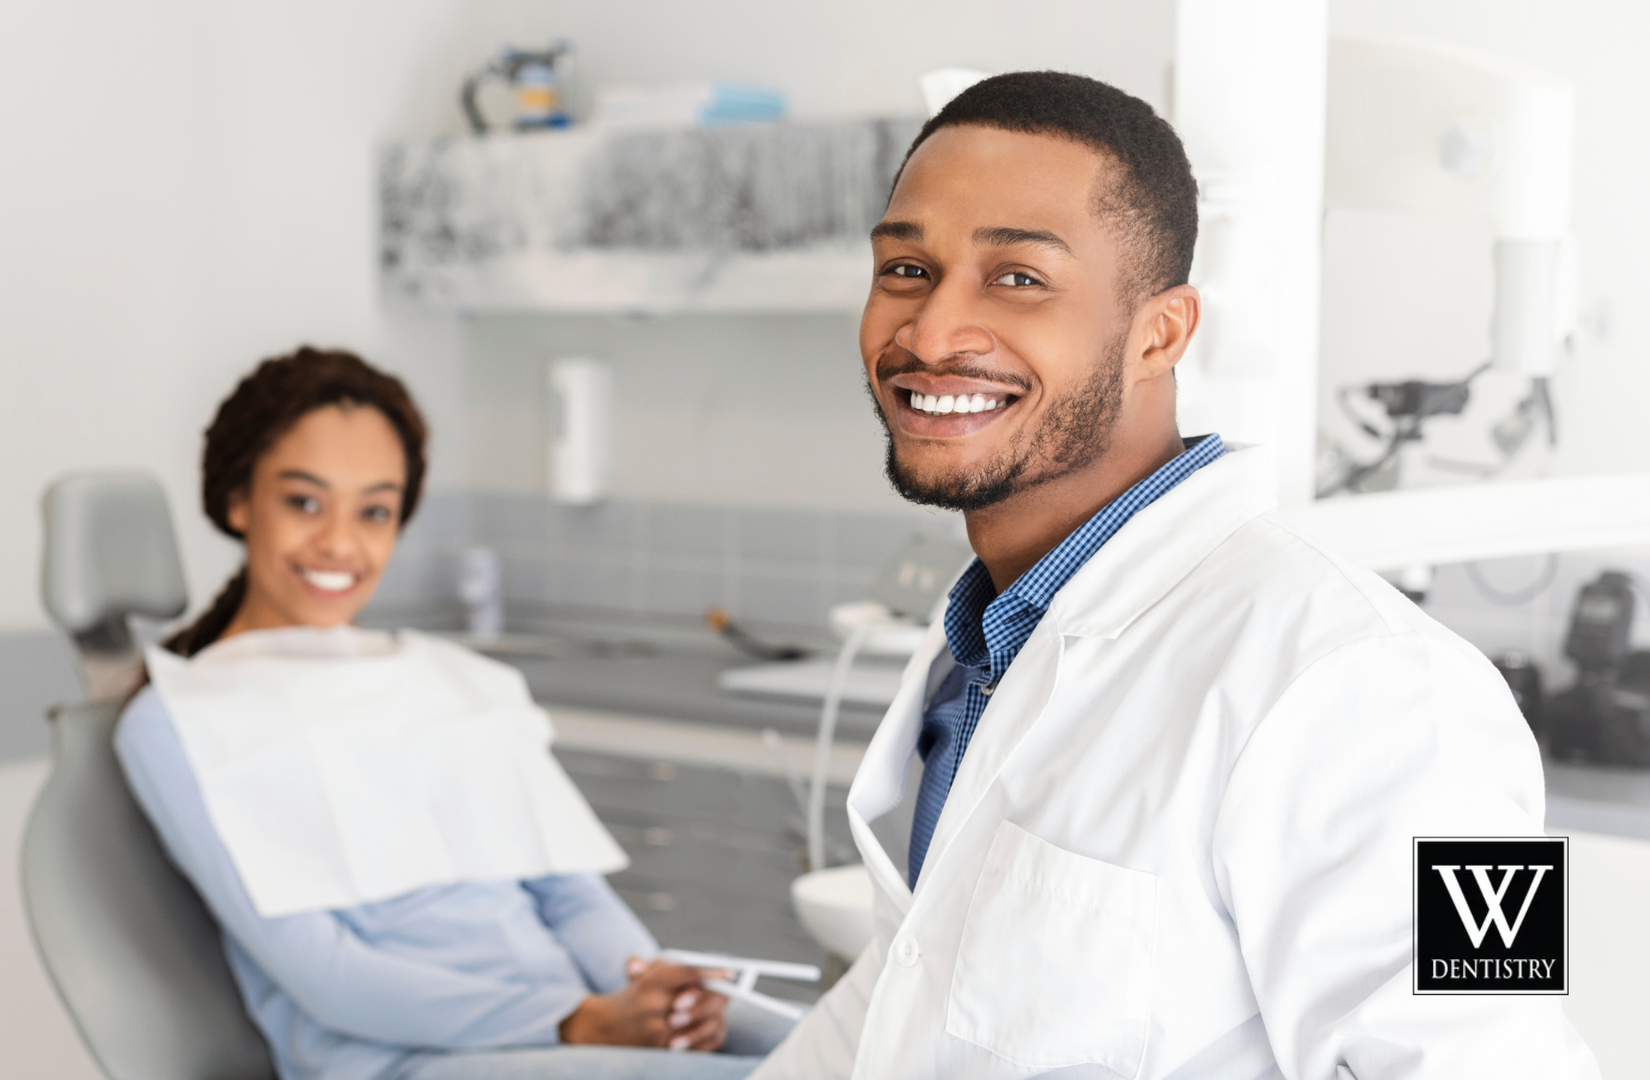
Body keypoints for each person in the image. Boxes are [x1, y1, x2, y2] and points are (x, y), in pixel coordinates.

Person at [749, 72, 1596, 1080]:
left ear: (1162, 333)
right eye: (905, 268)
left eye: (1019, 278)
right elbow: (916, 982)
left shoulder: (1389, 688)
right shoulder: (988, 642)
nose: (931, 335)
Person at [116, 347, 789, 1080]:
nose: (340, 542)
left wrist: (652, 995)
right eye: (305, 502)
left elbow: (568, 893)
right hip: (419, 1059)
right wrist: (576, 1022)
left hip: (573, 1024)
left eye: (374, 510)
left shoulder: (453, 683)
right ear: (239, 499)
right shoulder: (183, 721)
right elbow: (326, 975)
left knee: (863, 1051)